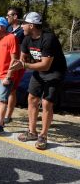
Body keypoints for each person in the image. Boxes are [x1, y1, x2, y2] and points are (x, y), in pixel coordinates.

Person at [9, 12, 67, 150]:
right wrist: (17, 64)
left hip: (55, 73)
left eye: (24, 24)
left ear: (32, 25)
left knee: (46, 103)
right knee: (32, 99)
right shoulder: (27, 39)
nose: (21, 26)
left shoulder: (49, 39)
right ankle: (32, 132)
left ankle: (43, 135)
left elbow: (46, 65)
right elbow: (23, 58)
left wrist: (23, 65)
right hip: (40, 72)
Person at [4, 6, 26, 123]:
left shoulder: (22, 31)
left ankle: (8, 116)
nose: (7, 17)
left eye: (8, 15)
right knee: (4, 88)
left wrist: (20, 62)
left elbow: (24, 49)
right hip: (6, 63)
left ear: (15, 16)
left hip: (16, 64)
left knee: (12, 89)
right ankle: (0, 114)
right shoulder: (8, 29)